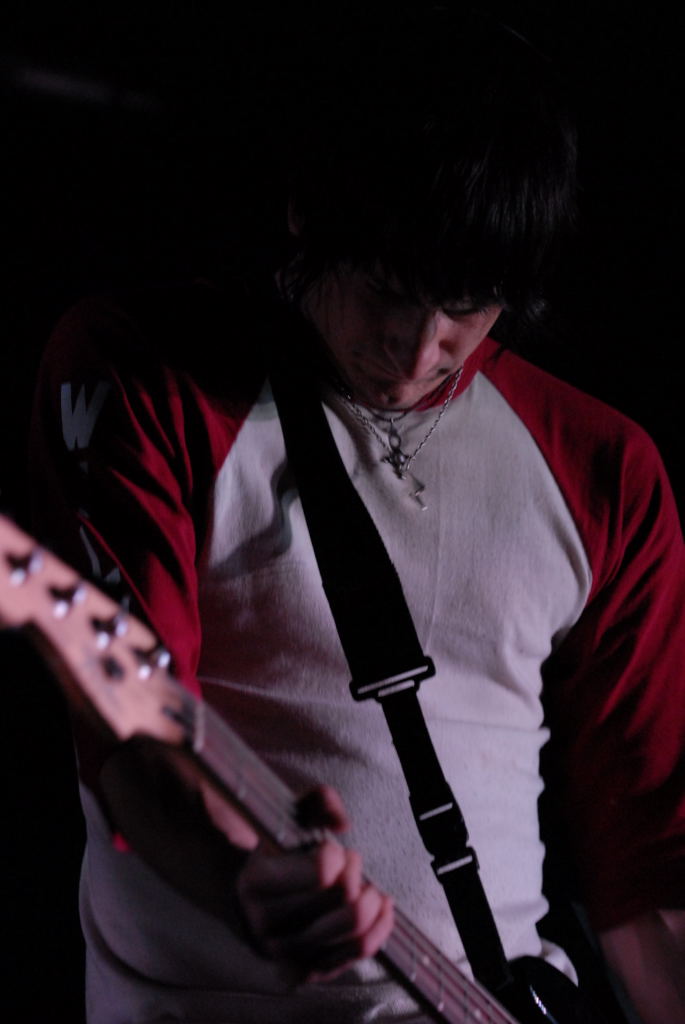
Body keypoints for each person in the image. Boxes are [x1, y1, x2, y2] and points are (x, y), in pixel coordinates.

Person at [29, 7, 683, 1023]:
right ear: (306, 210)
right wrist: (239, 875)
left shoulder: (604, 466)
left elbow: (644, 865)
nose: (419, 350)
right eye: (387, 290)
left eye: (467, 307)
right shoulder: (148, 376)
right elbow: (131, 733)